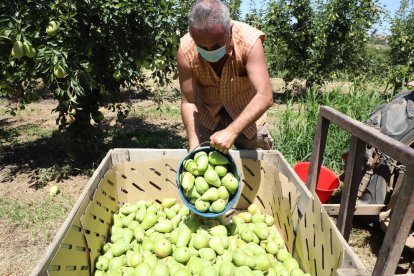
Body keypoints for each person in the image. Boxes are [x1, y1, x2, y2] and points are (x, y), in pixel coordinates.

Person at [177, 0, 274, 154]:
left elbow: (264, 95)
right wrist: (194, 145)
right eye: (201, 47)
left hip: (247, 116)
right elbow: (188, 101)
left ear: (229, 29)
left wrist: (232, 131)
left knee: (258, 169)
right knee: (205, 167)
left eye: (216, 46)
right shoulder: (186, 49)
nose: (209, 52)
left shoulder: (249, 42)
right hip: (208, 117)